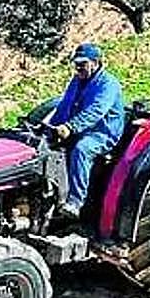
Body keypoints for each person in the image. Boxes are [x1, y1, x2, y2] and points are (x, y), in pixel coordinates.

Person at [51, 41, 125, 221]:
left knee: (81, 149)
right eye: (76, 63)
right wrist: (52, 127)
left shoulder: (108, 84)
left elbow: (96, 111)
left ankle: (75, 202)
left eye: (82, 64)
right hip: (80, 128)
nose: (78, 67)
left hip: (103, 132)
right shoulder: (77, 81)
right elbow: (65, 105)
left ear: (96, 62)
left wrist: (71, 127)